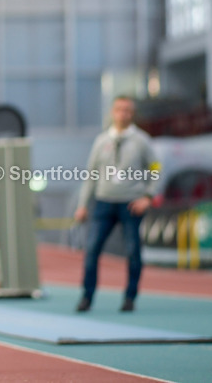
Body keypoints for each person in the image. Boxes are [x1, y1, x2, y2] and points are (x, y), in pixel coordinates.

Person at [74, 95, 156, 312]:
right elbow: (91, 174)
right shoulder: (101, 141)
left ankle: (130, 297)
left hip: (131, 203)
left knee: (132, 251)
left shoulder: (142, 141)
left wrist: (148, 197)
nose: (123, 114)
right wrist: (83, 204)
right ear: (112, 112)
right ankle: (87, 297)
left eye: (128, 110)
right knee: (91, 250)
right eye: (119, 109)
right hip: (103, 202)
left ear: (133, 113)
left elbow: (156, 168)